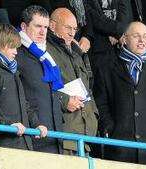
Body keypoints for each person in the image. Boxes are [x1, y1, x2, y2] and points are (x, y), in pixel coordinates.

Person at [93, 21, 146, 166]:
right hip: (121, 150)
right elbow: (101, 103)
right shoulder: (106, 67)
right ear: (124, 39)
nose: (142, 40)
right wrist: (109, 128)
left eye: (145, 36)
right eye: (136, 36)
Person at [0, 23, 47, 150]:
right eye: (12, 47)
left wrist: (36, 124)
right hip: (3, 143)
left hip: (23, 141)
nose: (16, 52)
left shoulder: (13, 71)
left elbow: (23, 103)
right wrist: (8, 124)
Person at [48, 8, 98, 155]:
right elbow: (41, 89)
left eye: (75, 29)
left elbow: (88, 87)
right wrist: (64, 101)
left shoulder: (77, 53)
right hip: (64, 135)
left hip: (85, 136)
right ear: (52, 25)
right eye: (68, 27)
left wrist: (93, 114)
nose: (72, 33)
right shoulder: (45, 50)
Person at [17, 5, 63, 154]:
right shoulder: (16, 55)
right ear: (24, 26)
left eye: (45, 27)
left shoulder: (48, 57)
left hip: (55, 137)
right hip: (32, 137)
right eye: (37, 26)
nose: (43, 31)